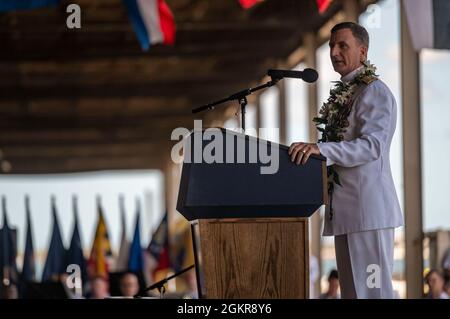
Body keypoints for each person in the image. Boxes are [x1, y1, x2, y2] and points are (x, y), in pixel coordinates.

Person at [289, 22, 403, 298]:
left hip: (368, 213)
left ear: (362, 52)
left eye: (343, 45)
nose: (334, 51)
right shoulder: (347, 92)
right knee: (352, 294)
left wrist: (321, 149)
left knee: (374, 294)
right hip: (346, 214)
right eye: (331, 45)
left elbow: (372, 146)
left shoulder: (374, 91)